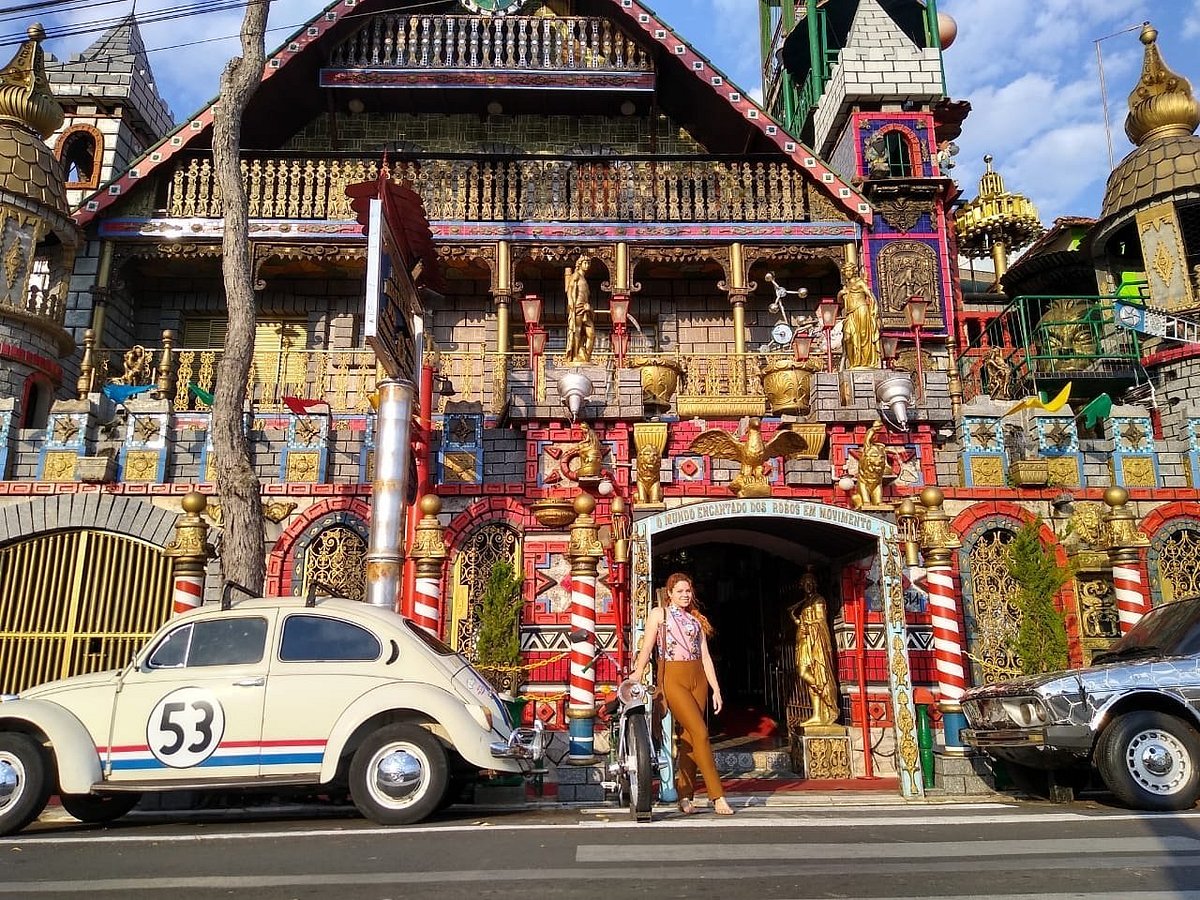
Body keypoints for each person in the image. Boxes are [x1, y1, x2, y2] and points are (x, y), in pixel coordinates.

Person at [631, 572, 734, 816]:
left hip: (697, 677)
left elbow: (706, 656)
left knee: (690, 737)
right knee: (701, 732)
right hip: (673, 678)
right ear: (669, 593)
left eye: (688, 591)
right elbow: (647, 646)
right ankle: (717, 795)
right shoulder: (660, 614)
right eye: (680, 591)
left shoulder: (696, 621)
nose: (685, 595)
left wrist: (716, 688)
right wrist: (638, 672)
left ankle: (685, 796)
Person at [788, 567, 838, 727]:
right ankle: (817, 712)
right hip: (804, 641)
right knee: (804, 672)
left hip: (815, 641)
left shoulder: (818, 600)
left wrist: (807, 624)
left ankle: (826, 697)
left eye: (811, 582)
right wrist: (796, 620)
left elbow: (821, 622)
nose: (808, 585)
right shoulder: (805, 603)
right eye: (805, 583)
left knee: (811, 673)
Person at [837, 261, 881, 369]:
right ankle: (854, 362)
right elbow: (840, 304)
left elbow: (870, 296)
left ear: (854, 271)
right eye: (845, 271)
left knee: (863, 336)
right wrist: (840, 294)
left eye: (849, 270)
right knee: (848, 338)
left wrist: (874, 310)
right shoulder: (846, 286)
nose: (847, 273)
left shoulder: (860, 282)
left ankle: (865, 361)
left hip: (861, 310)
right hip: (850, 314)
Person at [564, 256, 595, 364]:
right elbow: (570, 290)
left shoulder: (584, 278)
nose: (587, 265)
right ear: (579, 264)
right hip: (577, 307)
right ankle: (575, 355)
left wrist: (589, 307)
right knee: (576, 330)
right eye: (585, 263)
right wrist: (571, 305)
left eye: (588, 263)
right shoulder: (576, 275)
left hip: (585, 308)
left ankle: (586, 356)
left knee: (591, 334)